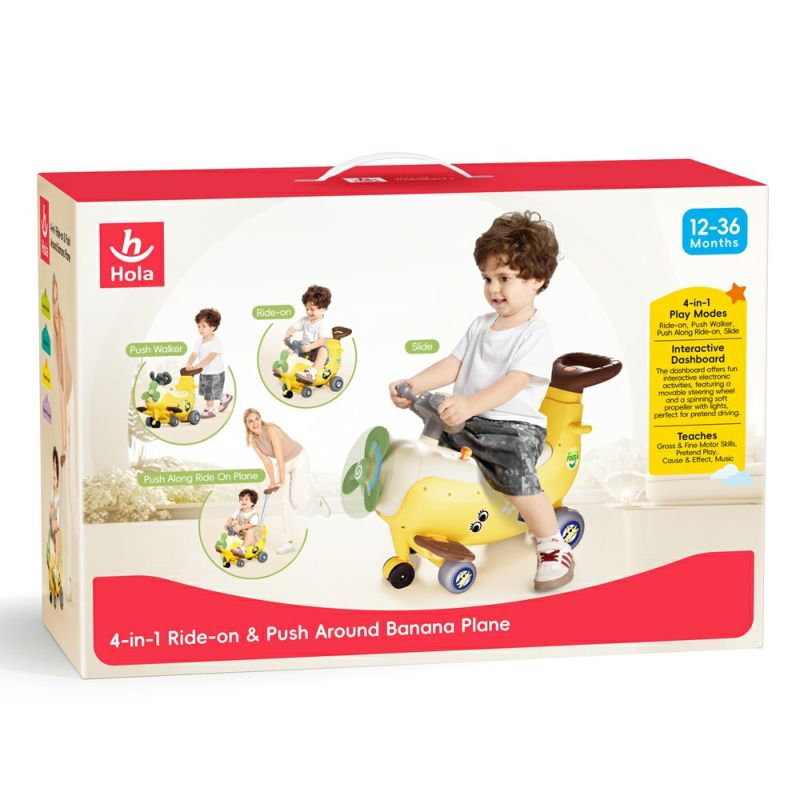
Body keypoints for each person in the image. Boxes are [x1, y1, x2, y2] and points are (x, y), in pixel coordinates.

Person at [389, 210, 572, 592]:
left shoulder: (535, 333)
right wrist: (414, 383)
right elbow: (454, 364)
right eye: (487, 279)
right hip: (469, 419)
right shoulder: (480, 325)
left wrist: (471, 404)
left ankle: (552, 544)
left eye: (504, 278)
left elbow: (514, 382)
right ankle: (438, 519)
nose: (493, 289)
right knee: (432, 446)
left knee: (513, 471)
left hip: (513, 428)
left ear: (536, 279)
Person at [243, 408, 330, 554]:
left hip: (298, 458)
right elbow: (267, 462)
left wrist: (281, 480)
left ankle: (318, 504)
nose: (255, 423)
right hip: (283, 464)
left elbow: (279, 454)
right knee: (286, 504)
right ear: (247, 425)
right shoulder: (254, 442)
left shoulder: (270, 430)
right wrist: (273, 482)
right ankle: (288, 542)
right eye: (250, 421)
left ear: (260, 419)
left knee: (296, 500)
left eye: (257, 419)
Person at [185, 308, 232, 418]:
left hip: (215, 372)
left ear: (213, 327)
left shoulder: (216, 341)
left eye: (204, 326)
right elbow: (194, 354)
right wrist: (189, 363)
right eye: (199, 326)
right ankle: (225, 397)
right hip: (204, 371)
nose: (200, 329)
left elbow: (210, 357)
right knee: (209, 390)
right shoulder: (199, 342)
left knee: (210, 392)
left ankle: (210, 410)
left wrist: (198, 365)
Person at [284, 285, 332, 383]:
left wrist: (311, 346)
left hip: (315, 349)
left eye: (312, 309)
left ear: (323, 308)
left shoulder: (324, 324)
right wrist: (288, 335)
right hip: (304, 347)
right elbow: (293, 327)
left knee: (323, 351)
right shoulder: (304, 320)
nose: (309, 312)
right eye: (307, 309)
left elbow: (323, 340)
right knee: (292, 347)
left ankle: (312, 373)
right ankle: (285, 366)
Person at [226, 489, 260, 558]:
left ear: (252, 502)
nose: (243, 501)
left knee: (250, 531)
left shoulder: (254, 514)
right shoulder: (239, 511)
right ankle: (227, 543)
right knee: (232, 525)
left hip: (252, 537)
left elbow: (252, 524)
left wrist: (241, 527)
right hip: (241, 533)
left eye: (246, 499)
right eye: (241, 499)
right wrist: (228, 523)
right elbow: (231, 518)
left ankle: (243, 549)